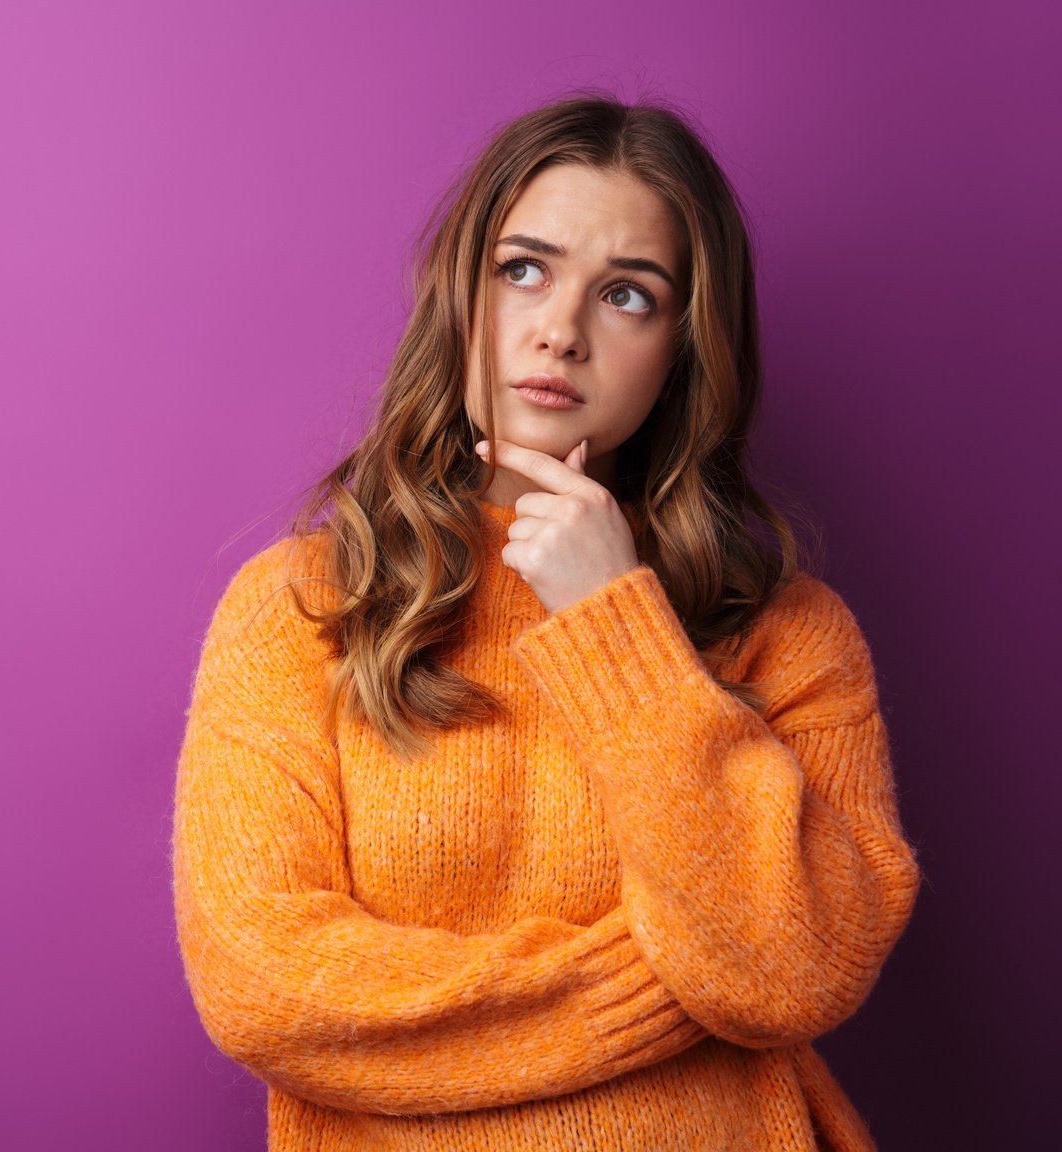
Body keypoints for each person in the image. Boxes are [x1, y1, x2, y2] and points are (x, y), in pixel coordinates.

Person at [169, 91, 922, 1151]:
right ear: (464, 298)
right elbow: (265, 986)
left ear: (683, 347)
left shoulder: (793, 633)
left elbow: (794, 973)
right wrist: (670, 995)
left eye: (626, 294)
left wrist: (616, 625)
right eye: (523, 269)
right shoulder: (304, 608)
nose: (559, 330)